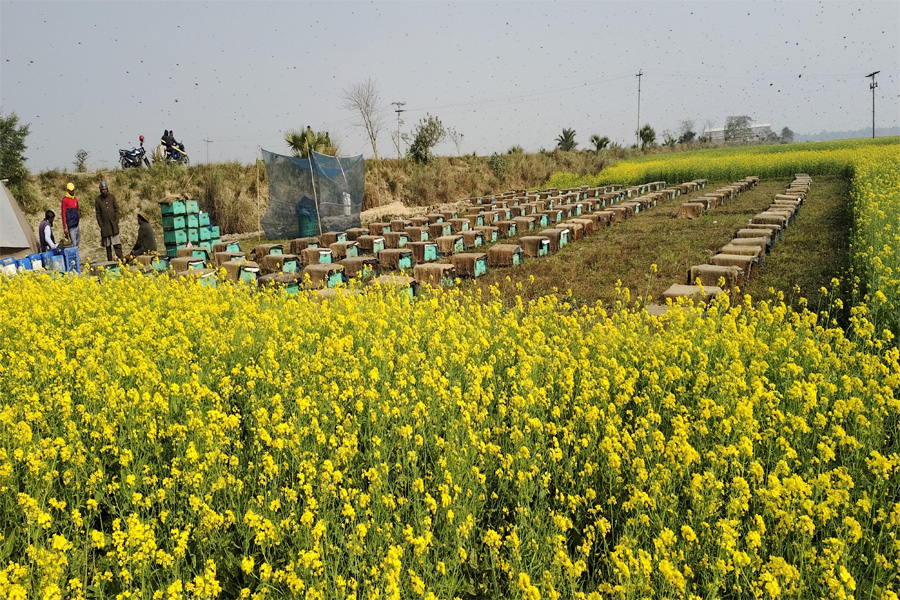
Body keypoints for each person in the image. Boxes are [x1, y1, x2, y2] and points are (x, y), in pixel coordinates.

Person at [95, 181, 123, 261]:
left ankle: (121, 260)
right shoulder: (98, 200)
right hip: (105, 226)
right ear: (100, 190)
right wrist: (101, 224)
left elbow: (116, 209)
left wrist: (116, 220)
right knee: (108, 246)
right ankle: (110, 262)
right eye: (103, 189)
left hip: (113, 224)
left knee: (117, 244)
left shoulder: (112, 197)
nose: (104, 191)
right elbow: (98, 213)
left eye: (105, 189)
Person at [61, 182, 80, 249]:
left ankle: (77, 256)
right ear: (68, 191)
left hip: (76, 224)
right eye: (72, 191)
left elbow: (77, 209)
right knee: (74, 243)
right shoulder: (65, 200)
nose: (73, 192)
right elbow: (63, 214)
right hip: (71, 226)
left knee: (77, 242)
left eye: (74, 190)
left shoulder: (75, 199)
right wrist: (65, 227)